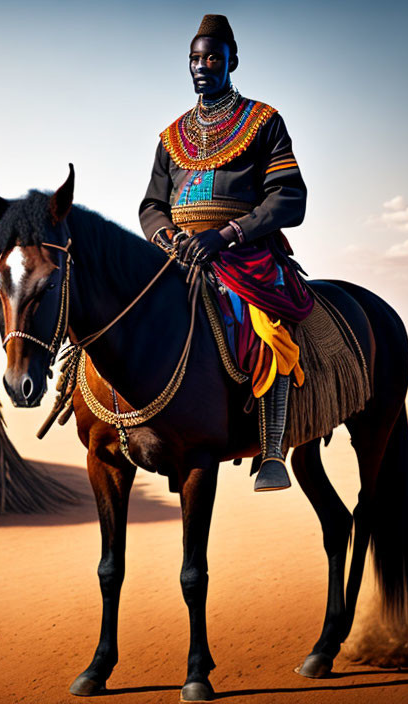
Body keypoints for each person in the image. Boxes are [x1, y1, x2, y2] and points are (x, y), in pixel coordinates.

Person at [139, 14, 314, 491]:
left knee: (267, 327)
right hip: (178, 255)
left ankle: (274, 450)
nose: (202, 66)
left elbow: (289, 198)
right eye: (194, 58)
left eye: (212, 57)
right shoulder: (171, 137)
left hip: (243, 256)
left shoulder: (264, 122)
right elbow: (152, 205)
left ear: (232, 60)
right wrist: (170, 239)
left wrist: (227, 234)